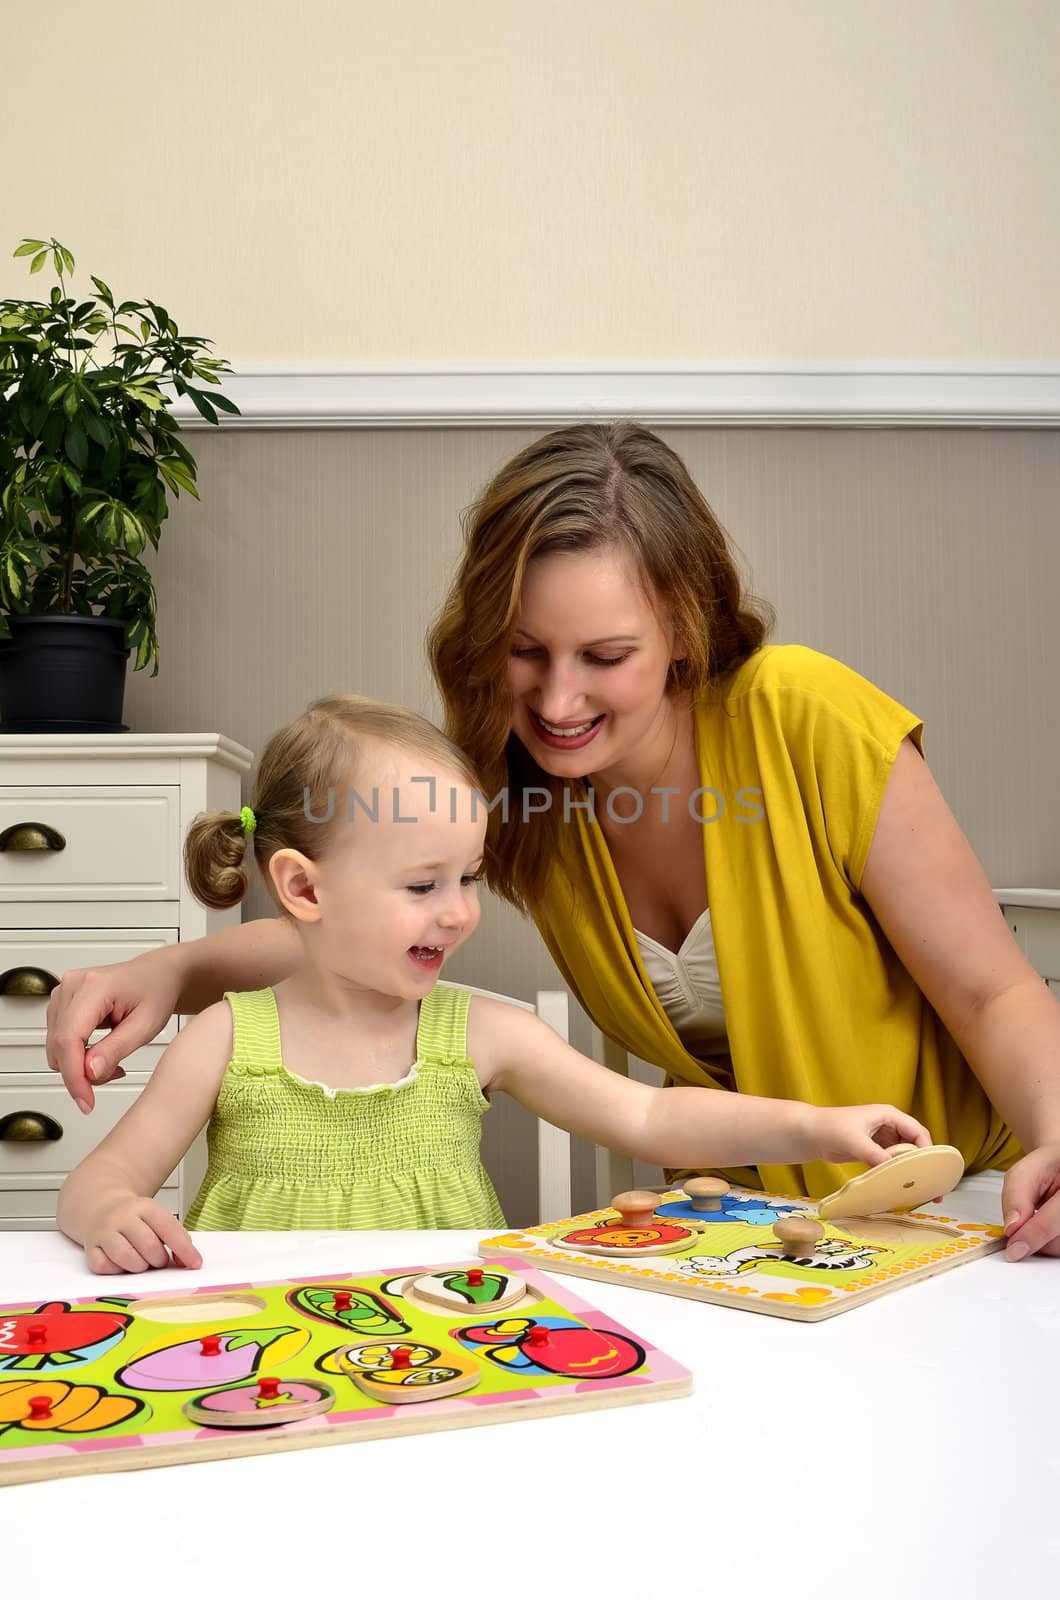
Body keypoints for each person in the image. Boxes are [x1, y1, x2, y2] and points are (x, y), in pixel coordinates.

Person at [47, 425, 1060, 1261]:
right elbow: (347, 931)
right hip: (754, 1227)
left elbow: (992, 991)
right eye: (525, 652)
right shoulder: (517, 797)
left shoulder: (803, 717)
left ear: (683, 628)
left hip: (962, 1190)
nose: (557, 699)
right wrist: (172, 969)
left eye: (604, 656)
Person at [55, 694, 928, 1274]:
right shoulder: (226, 1039)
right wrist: (109, 1215)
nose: (460, 912)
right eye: (422, 885)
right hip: (266, 1362)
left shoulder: (478, 1034)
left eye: (468, 878)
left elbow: (650, 1115)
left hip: (449, 1366)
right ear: (305, 888)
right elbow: (96, 1184)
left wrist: (821, 1125)